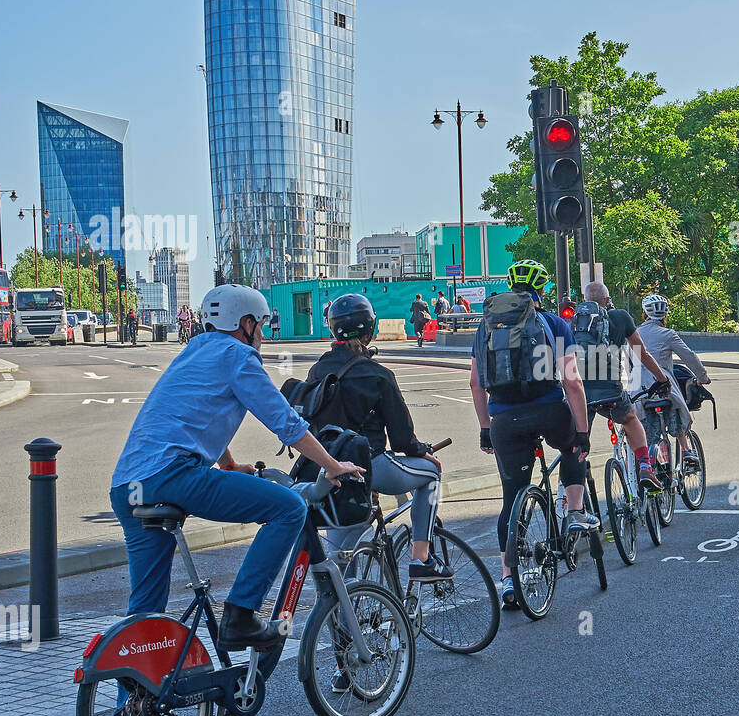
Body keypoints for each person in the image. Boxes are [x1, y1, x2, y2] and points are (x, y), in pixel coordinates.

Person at [110, 286, 363, 650]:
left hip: (127, 487)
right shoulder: (239, 355)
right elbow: (286, 424)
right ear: (245, 324)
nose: (262, 334)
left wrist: (227, 465)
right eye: (260, 325)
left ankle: (134, 703)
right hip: (171, 476)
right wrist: (333, 465)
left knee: (145, 611)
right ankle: (241, 616)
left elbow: (194, 416)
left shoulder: (193, 350)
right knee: (289, 508)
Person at [469, 259, 597, 610]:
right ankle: (573, 513)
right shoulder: (555, 324)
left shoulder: (486, 327)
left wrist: (485, 429)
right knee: (572, 448)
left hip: (504, 420)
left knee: (511, 499)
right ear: (542, 291)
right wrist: (582, 432)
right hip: (549, 411)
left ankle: (509, 580)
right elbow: (572, 381)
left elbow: (475, 383)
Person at [305, 294, 447, 582]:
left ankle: (344, 617)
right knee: (431, 474)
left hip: (329, 469)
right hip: (370, 465)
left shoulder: (317, 370)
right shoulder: (378, 374)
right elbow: (402, 439)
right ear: (369, 330)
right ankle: (421, 556)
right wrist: (422, 451)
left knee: (342, 554)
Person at [578, 280, 670, 490]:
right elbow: (643, 355)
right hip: (610, 390)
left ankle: (567, 498)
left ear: (585, 301)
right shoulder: (620, 316)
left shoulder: (575, 321)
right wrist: (662, 379)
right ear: (608, 300)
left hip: (581, 392)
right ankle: (645, 467)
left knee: (579, 441)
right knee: (630, 419)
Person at [632, 293, 711, 470]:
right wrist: (702, 377)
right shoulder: (667, 334)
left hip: (639, 390)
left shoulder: (634, 333)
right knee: (675, 407)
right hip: (663, 387)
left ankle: (649, 464)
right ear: (665, 315)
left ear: (644, 314)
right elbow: (689, 356)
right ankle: (687, 451)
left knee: (645, 431)